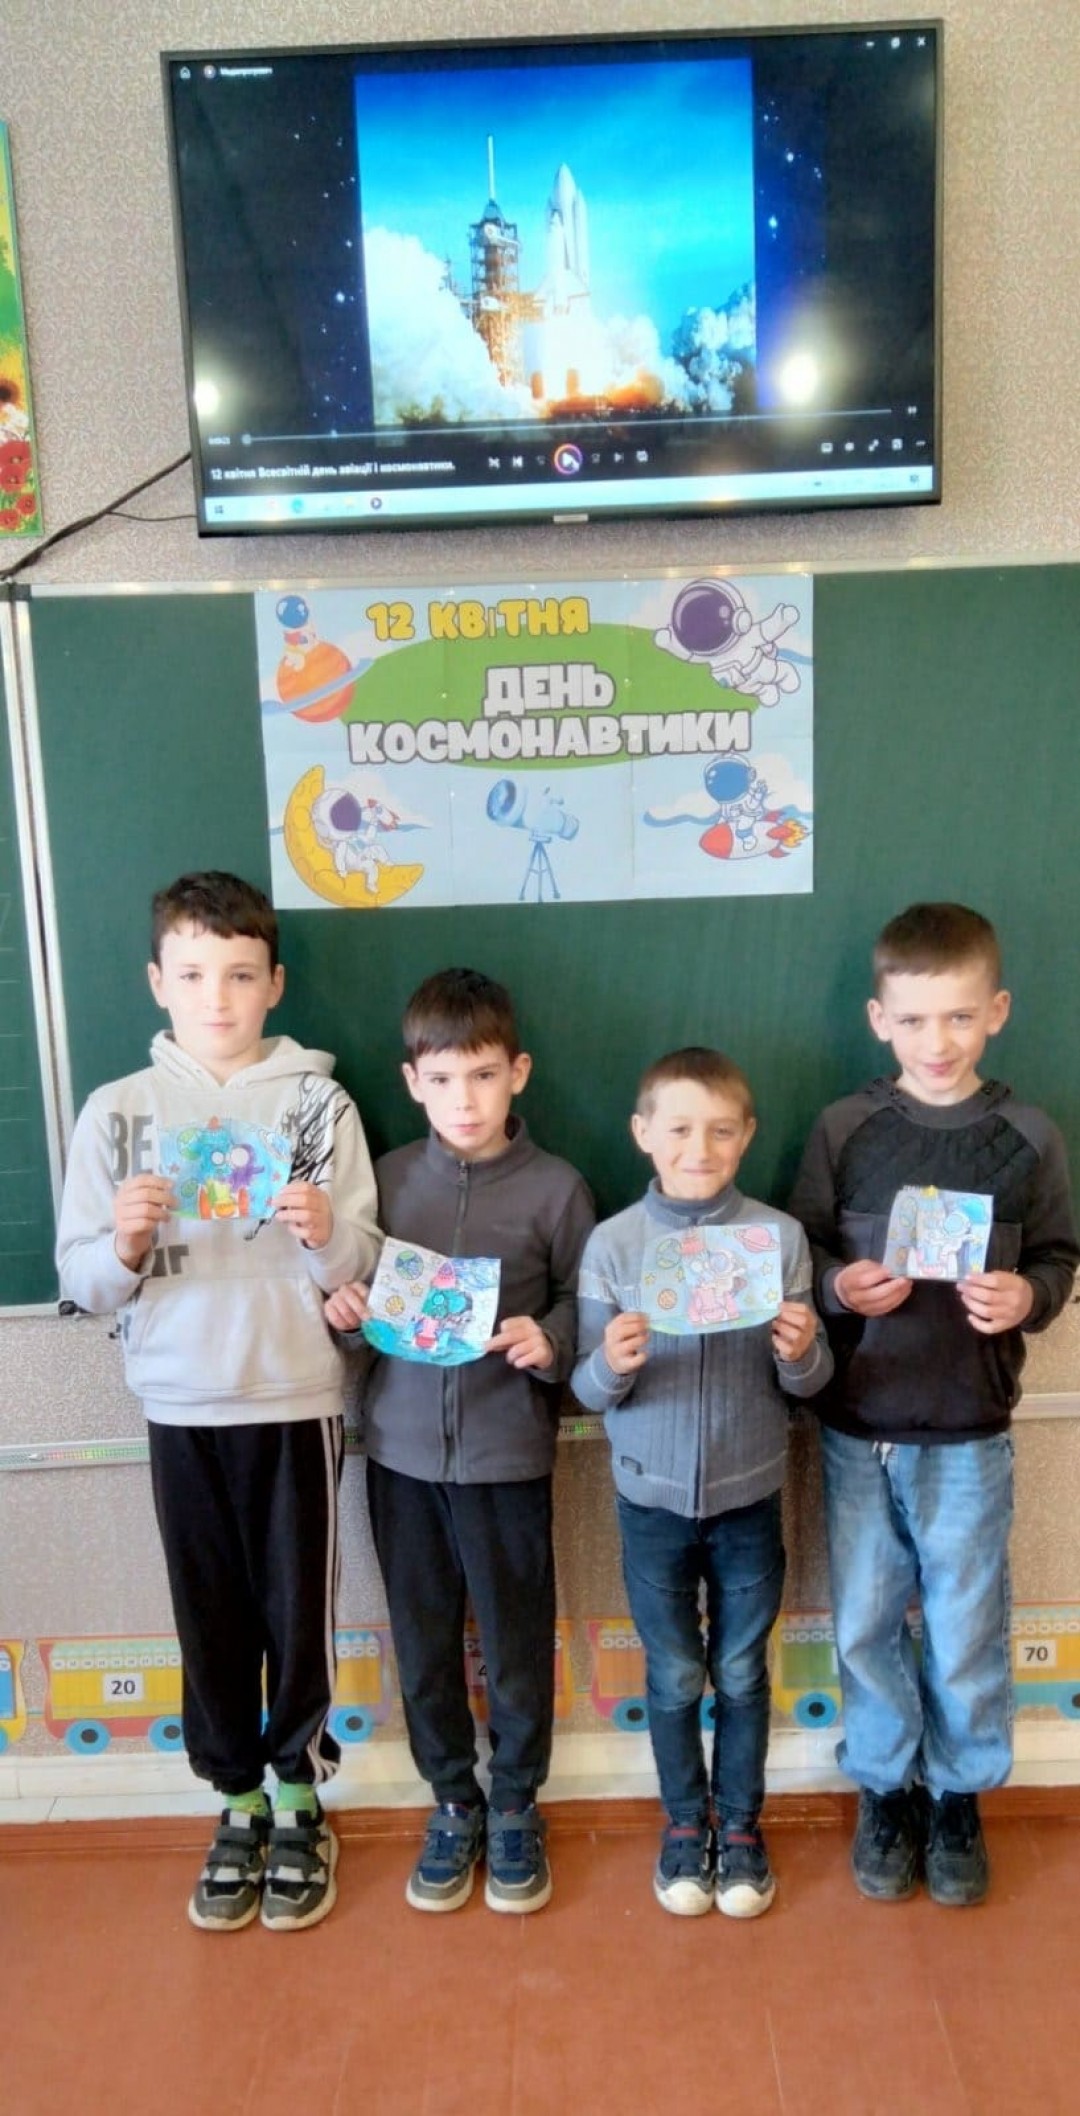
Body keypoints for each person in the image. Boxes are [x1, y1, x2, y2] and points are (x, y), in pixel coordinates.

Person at [56, 872, 379, 1933]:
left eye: (240, 975)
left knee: (297, 1614)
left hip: (292, 1393)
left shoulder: (317, 1106)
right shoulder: (119, 1112)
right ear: (157, 981)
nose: (217, 996)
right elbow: (81, 1280)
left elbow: (359, 1264)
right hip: (179, 1400)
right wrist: (124, 1243)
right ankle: (236, 1799)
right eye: (193, 974)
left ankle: (300, 1797)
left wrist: (325, 1229)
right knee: (209, 1615)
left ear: (275, 984)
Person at [790, 902, 1079, 1907]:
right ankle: (885, 1787)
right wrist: (839, 1284)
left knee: (965, 1622)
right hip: (859, 1425)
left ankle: (958, 1794)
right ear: (879, 1020)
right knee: (866, 1621)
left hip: (969, 1428)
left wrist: (1029, 1297)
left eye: (959, 1016)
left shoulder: (1028, 1135)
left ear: (996, 1011)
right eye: (913, 1019)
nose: (937, 1040)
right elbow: (801, 1247)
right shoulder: (844, 1128)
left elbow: (1058, 1257)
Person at [325, 967, 594, 1915]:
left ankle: (515, 1803)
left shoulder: (558, 1190)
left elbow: (587, 1301)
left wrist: (549, 1337)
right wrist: (346, 1313)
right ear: (412, 1082)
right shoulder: (386, 1181)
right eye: (441, 1080)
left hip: (507, 1456)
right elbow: (353, 1305)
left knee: (516, 1642)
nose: (465, 1100)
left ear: (518, 1072)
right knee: (424, 1639)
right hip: (399, 1458)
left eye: (483, 1075)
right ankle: (452, 1800)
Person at [571, 1048, 832, 1918]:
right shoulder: (613, 1243)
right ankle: (686, 1823)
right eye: (679, 1129)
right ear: (642, 1134)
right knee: (677, 1670)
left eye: (721, 1131)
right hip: (649, 1500)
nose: (699, 1148)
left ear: (748, 1135)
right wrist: (611, 1364)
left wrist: (801, 1350)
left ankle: (742, 1826)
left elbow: (810, 1383)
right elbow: (585, 1390)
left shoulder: (777, 1238)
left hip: (749, 1493)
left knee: (743, 1669)